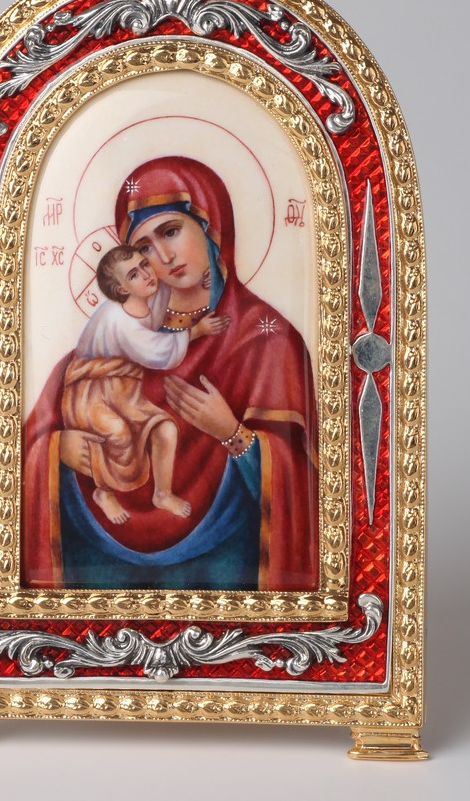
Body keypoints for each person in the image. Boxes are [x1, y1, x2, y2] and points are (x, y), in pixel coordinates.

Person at [22, 157, 318, 592]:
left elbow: (309, 492)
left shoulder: (267, 343)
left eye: (171, 231)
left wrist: (232, 434)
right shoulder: (108, 349)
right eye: (143, 248)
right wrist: (58, 451)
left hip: (227, 580)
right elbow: (21, 458)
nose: (163, 257)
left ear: (212, 226)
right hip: (102, 589)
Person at [61, 244, 230, 524]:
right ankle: (104, 492)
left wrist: (206, 275)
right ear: (122, 288)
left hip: (125, 389)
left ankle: (162, 494)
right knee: (117, 434)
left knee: (165, 429)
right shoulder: (119, 319)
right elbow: (156, 352)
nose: (146, 274)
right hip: (91, 391)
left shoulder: (150, 295)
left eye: (144, 265)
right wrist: (196, 331)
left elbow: (172, 288)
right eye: (134, 275)